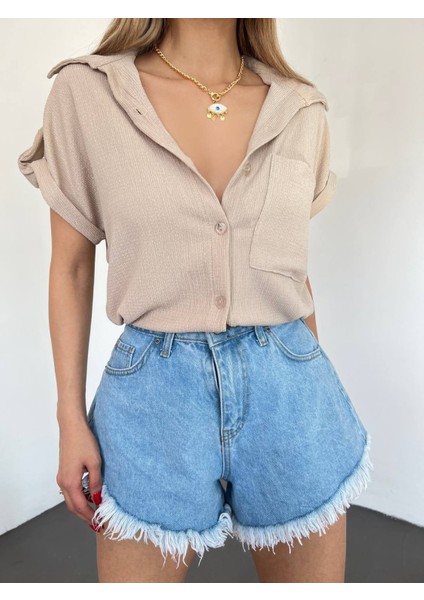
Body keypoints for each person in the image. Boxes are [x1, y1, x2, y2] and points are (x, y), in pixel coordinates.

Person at [17, 18, 373, 583]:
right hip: (152, 397)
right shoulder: (87, 94)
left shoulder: (301, 109)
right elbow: (71, 267)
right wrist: (69, 418)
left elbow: (294, 274)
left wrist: (312, 380)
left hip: (292, 390)